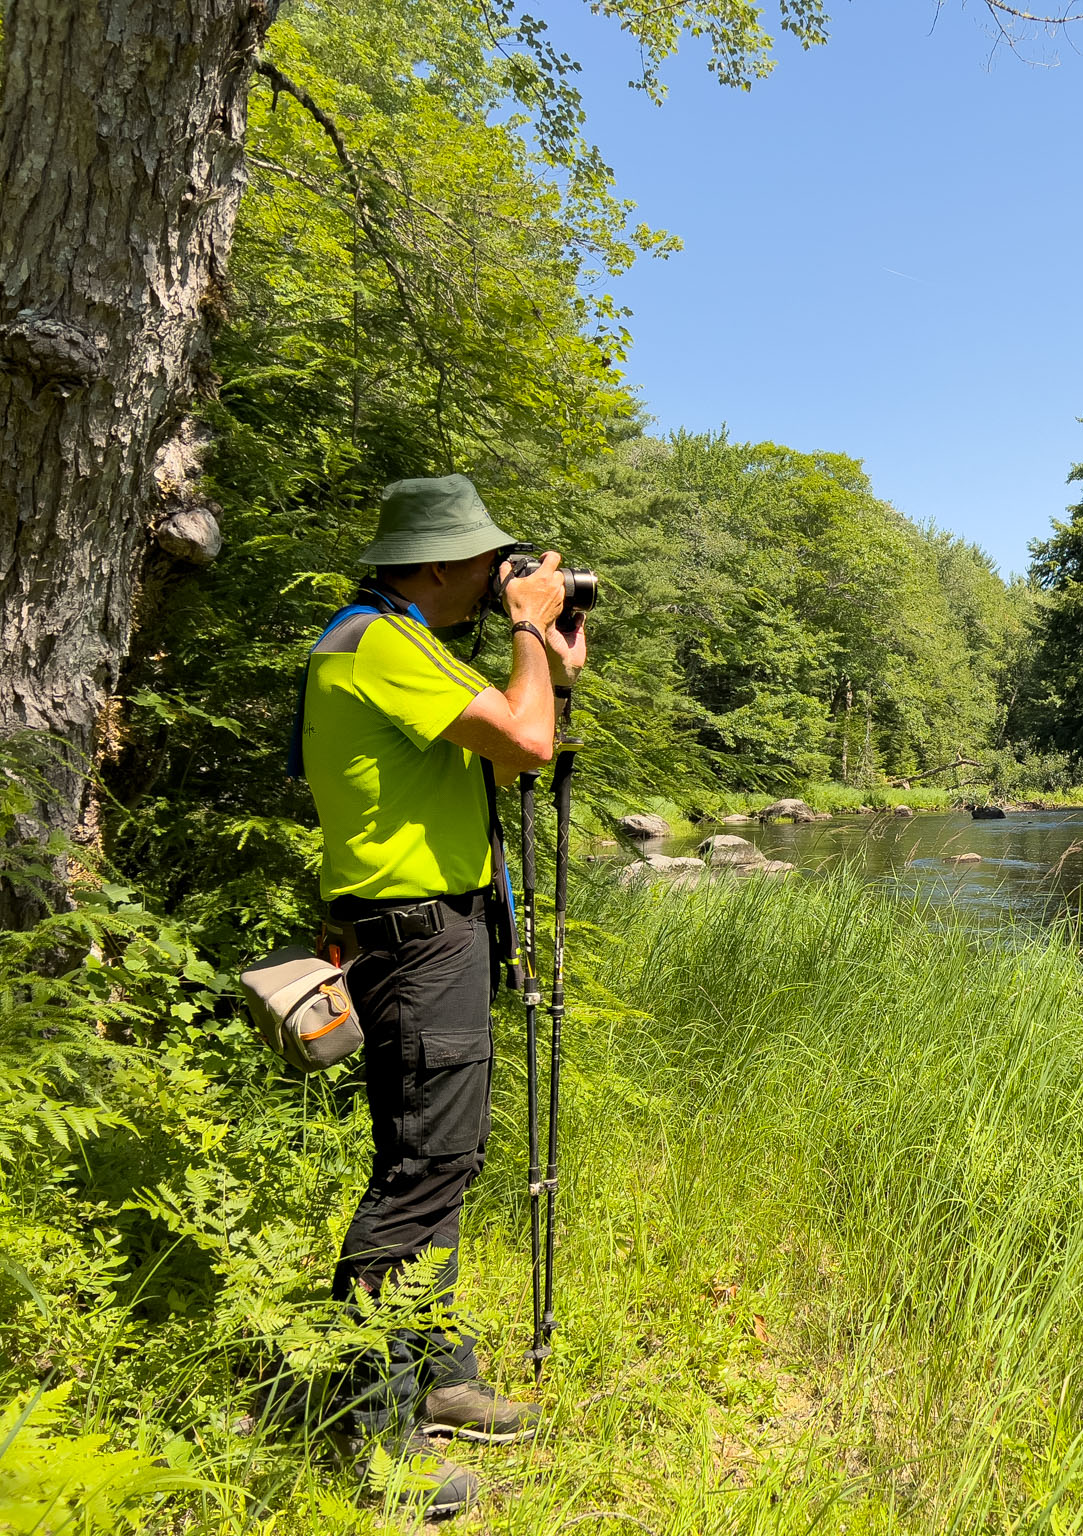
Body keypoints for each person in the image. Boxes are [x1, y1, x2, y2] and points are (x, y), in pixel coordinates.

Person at [299, 473, 585, 1519]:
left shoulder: (399, 639)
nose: (500, 577)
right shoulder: (376, 642)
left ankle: (439, 1377)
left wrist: (546, 658)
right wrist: (524, 632)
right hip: (416, 941)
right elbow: (528, 744)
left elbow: (512, 737)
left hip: (433, 935)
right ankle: (371, 1435)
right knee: (421, 1170)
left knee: (443, 1162)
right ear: (430, 561)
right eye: (485, 562)